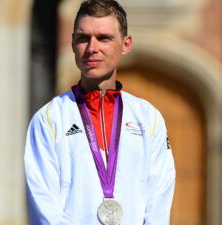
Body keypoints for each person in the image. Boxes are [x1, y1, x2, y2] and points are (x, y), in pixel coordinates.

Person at [24, 0, 175, 224]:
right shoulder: (50, 118)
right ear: (73, 43)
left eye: (104, 38)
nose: (92, 48)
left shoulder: (147, 117)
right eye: (83, 38)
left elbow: (159, 196)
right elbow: (43, 202)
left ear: (125, 44)